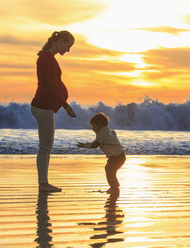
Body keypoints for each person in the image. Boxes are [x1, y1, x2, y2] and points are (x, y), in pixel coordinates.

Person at [31, 30, 77, 192]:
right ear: (61, 41)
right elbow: (51, 86)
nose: (68, 50)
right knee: (45, 147)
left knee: (46, 146)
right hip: (43, 107)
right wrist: (65, 106)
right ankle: (43, 184)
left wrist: (64, 104)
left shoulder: (47, 58)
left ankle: (44, 183)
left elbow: (54, 85)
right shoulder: (46, 59)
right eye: (68, 45)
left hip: (44, 107)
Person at [77, 112, 125, 194]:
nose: (92, 129)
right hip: (120, 156)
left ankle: (114, 188)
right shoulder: (108, 131)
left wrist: (84, 145)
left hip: (116, 157)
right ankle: (115, 186)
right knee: (110, 170)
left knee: (109, 171)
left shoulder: (102, 134)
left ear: (100, 125)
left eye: (93, 126)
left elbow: (95, 145)